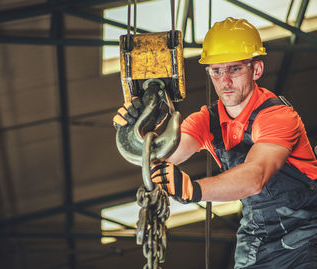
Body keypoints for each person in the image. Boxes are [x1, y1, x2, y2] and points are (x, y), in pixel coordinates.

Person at [113, 17, 317, 268]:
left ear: (257, 70)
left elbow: (255, 176)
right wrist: (136, 132)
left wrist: (194, 190)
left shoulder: (277, 117)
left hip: (306, 236)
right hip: (255, 241)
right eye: (217, 71)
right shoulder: (207, 120)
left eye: (235, 69)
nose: (225, 81)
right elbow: (163, 156)